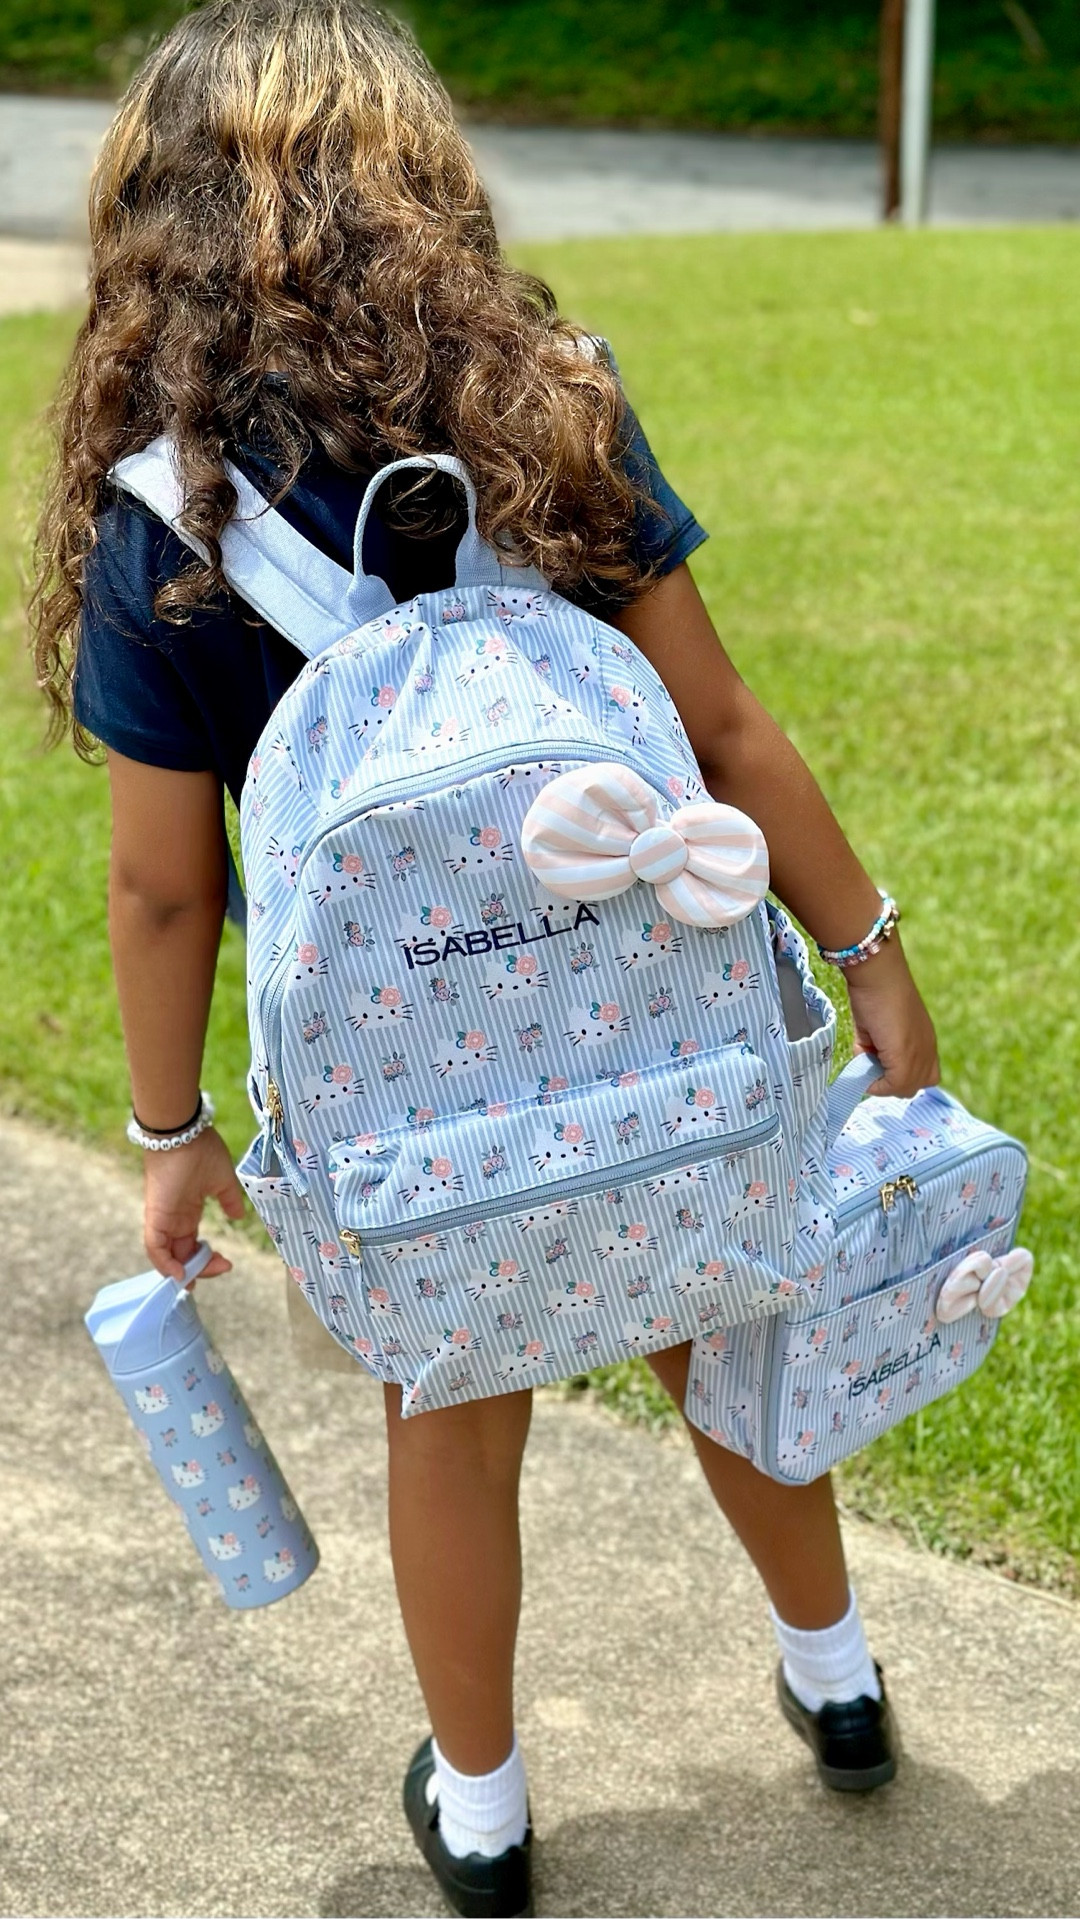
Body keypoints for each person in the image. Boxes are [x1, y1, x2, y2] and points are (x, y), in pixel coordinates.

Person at [31, 4, 939, 1913]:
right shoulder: (547, 398)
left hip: (415, 1111)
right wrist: (863, 949)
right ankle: (839, 1678)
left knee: (447, 1410)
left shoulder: (166, 511)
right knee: (730, 1311)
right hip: (662, 1045)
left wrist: (172, 1128)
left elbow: (162, 891)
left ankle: (490, 1804)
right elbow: (725, 730)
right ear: (421, 182)